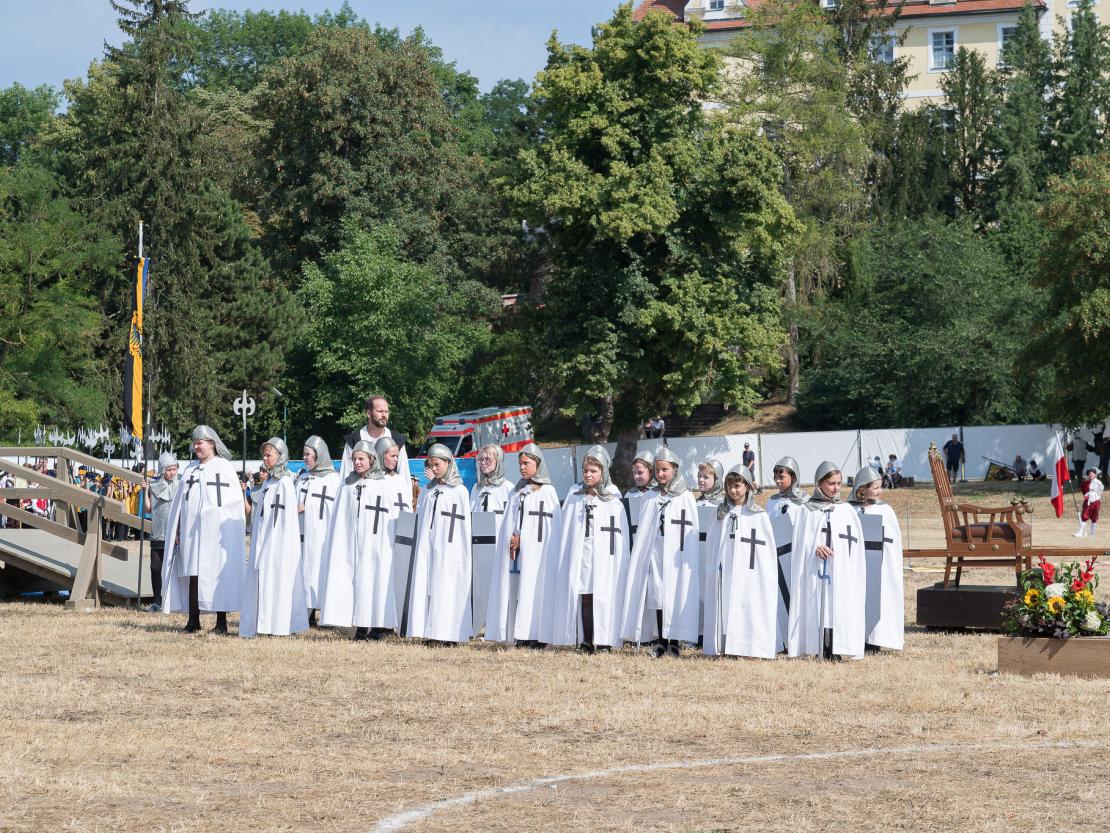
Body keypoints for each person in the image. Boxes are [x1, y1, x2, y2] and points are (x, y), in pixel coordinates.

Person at [161, 426, 246, 634]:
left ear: (212, 444)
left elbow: (234, 503)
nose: (196, 446)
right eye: (195, 443)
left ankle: (221, 623)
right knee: (193, 573)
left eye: (200, 443)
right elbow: (181, 503)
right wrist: (179, 529)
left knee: (217, 573)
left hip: (216, 534)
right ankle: (193, 620)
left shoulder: (224, 468)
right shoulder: (190, 469)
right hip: (192, 532)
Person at [320, 441, 405, 639]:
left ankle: (376, 625)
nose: (357, 463)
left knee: (373, 581)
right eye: (354, 459)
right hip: (351, 544)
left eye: (361, 459)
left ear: (371, 460)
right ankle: (357, 625)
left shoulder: (381, 485)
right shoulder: (347, 485)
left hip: (375, 543)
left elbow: (389, 515)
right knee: (353, 581)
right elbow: (340, 518)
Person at [621, 445, 700, 658]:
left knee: (674, 595)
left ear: (674, 469)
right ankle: (660, 642)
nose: (661, 474)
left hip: (676, 556)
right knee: (657, 596)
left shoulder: (685, 497)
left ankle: (674, 642)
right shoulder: (650, 497)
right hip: (655, 554)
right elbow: (645, 529)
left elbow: (690, 530)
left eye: (665, 469)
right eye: (657, 470)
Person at [550, 446, 629, 653]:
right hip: (582, 555)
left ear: (603, 472)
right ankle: (586, 640)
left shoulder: (612, 497)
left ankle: (604, 641)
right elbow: (567, 529)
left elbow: (618, 532)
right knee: (585, 595)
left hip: (604, 555)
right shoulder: (575, 496)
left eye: (593, 471)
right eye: (585, 470)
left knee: (603, 596)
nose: (588, 474)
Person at [786, 461, 866, 660]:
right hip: (815, 568)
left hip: (839, 568)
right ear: (819, 483)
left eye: (839, 483)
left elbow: (853, 542)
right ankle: (819, 644)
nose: (836, 487)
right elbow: (800, 542)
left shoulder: (846, 510)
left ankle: (837, 648)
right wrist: (815, 547)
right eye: (831, 483)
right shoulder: (807, 510)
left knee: (837, 606)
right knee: (817, 605)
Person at [485, 443, 563, 647]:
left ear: (538, 464)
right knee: (517, 591)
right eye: (520, 463)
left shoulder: (547, 492)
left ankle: (538, 636)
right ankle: (520, 634)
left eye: (526, 463)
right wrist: (511, 539)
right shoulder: (516, 491)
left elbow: (550, 529)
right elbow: (509, 523)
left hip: (539, 556)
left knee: (535, 592)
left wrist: (523, 539)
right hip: (516, 554)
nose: (522, 467)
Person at [703, 465, 778, 659]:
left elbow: (765, 551)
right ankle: (725, 645)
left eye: (737, 486)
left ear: (747, 487)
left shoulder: (758, 515)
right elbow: (713, 544)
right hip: (725, 569)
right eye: (729, 486)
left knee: (747, 604)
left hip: (749, 571)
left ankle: (748, 646)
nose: (733, 490)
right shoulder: (720, 512)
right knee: (726, 605)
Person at [240, 438, 308, 639]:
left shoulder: (285, 482)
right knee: (263, 581)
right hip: (263, 540)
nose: (265, 458)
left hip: (277, 542)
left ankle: (277, 624)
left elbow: (284, 518)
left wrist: (276, 541)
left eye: (269, 455)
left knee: (276, 581)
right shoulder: (269, 481)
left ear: (280, 457)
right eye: (264, 454)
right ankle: (264, 622)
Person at [405, 443, 472, 644]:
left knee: (447, 587)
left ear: (448, 463)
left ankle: (449, 634)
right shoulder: (427, 490)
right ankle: (431, 631)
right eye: (431, 465)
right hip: (428, 547)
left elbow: (463, 526)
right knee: (428, 587)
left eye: (437, 465)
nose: (433, 469)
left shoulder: (459, 491)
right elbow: (421, 518)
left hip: (451, 548)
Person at [851, 467, 904, 653]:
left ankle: (874, 638)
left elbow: (892, 541)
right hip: (856, 564)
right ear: (862, 488)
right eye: (875, 488)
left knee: (877, 598)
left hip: (878, 564)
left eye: (880, 487)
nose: (879, 491)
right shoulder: (849, 510)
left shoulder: (885, 510)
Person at [764, 455, 808, 649]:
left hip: (797, 555)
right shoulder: (771, 502)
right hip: (777, 556)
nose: (778, 481)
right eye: (776, 477)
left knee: (797, 596)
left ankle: (799, 638)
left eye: (782, 476)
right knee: (780, 597)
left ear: (793, 476)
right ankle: (782, 637)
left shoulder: (804, 501)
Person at [297, 436, 341, 627]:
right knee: (304, 572)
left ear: (319, 455)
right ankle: (305, 613)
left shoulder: (334, 480)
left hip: (323, 536)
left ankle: (325, 613)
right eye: (304, 455)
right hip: (302, 536)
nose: (305, 458)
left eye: (308, 455)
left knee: (319, 571)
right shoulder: (303, 478)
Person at [339, 395, 409, 481]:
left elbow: (404, 476)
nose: (384, 415)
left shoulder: (397, 440)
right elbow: (345, 477)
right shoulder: (354, 440)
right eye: (380, 411)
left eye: (386, 412)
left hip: (389, 493)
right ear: (369, 413)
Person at [143, 452, 180, 612]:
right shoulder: (154, 484)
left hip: (175, 533)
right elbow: (148, 509)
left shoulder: (181, 485)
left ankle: (173, 601)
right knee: (155, 567)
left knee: (173, 569)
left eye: (174, 469)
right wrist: (145, 491)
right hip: (158, 532)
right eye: (169, 469)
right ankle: (157, 600)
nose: (172, 472)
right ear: (162, 470)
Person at [470, 444, 514, 517]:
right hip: (479, 528)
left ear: (498, 461)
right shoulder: (477, 487)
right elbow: (471, 512)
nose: (483, 463)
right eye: (481, 459)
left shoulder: (508, 487)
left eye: (487, 459)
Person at [1076, 467, 1103, 537]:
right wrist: (1087, 495)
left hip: (1095, 501)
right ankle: (1080, 532)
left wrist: (1095, 496)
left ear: (1095, 475)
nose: (1090, 475)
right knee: (1084, 516)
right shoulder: (1086, 483)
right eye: (1089, 473)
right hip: (1088, 501)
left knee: (1094, 517)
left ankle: (1092, 533)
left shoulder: (1098, 483)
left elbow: (1100, 491)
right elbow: (1083, 490)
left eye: (1092, 473)